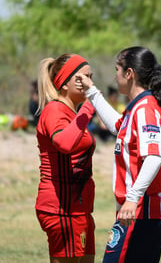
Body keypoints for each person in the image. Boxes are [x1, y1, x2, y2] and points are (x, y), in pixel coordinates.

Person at [78, 46, 161, 263]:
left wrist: (132, 199)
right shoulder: (135, 109)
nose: (115, 75)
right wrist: (91, 91)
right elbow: (117, 125)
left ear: (129, 73)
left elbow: (154, 157)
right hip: (136, 210)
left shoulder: (145, 110)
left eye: (117, 69)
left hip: (143, 211)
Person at [35, 54, 96, 263]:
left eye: (91, 77)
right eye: (82, 78)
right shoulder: (54, 110)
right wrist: (88, 108)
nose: (89, 83)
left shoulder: (73, 113)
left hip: (80, 208)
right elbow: (64, 143)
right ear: (63, 83)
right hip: (61, 208)